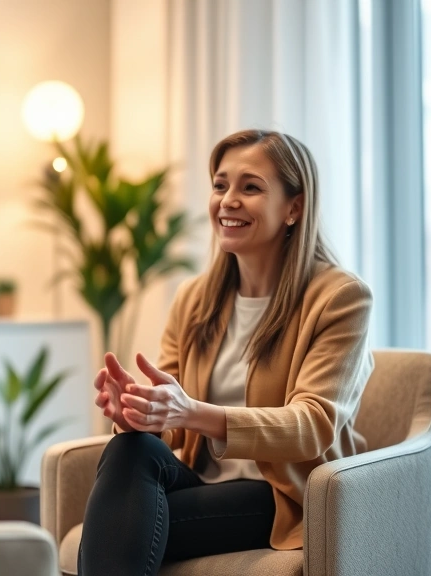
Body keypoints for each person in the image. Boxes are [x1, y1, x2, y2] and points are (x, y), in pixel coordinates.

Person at [79, 129, 373, 574]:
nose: (228, 200)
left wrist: (190, 411)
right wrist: (140, 413)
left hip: (282, 495)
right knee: (130, 451)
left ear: (294, 207)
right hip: (205, 483)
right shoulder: (194, 298)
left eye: (250, 187)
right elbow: (173, 431)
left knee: (119, 528)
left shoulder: (340, 297)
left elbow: (313, 425)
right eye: (220, 185)